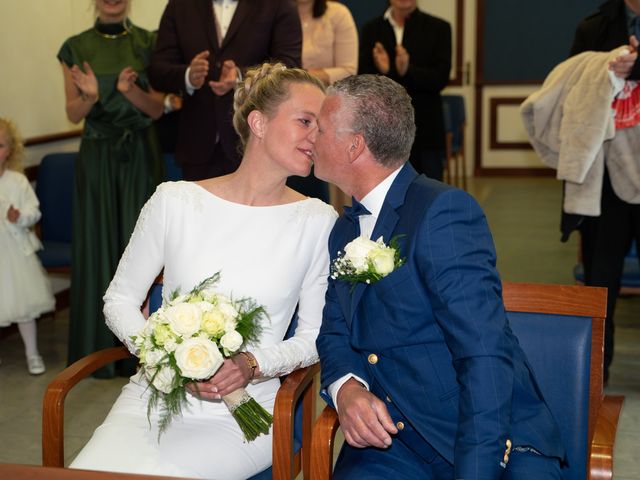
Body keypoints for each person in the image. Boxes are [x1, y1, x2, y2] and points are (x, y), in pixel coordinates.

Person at [69, 64, 337, 479]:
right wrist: (166, 357)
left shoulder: (317, 220)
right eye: (305, 121)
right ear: (258, 122)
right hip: (153, 399)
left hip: (245, 414)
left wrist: (251, 362)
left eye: (321, 128)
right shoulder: (174, 201)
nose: (315, 137)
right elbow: (119, 300)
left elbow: (313, 336)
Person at [313, 75, 566, 479]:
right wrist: (347, 388)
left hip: (482, 438)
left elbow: (484, 353)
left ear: (354, 145)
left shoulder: (442, 213)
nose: (311, 137)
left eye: (319, 128)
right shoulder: (344, 231)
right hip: (394, 442)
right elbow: (335, 333)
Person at [58, 0, 166, 376]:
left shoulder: (150, 42)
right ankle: (98, 351)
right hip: (98, 157)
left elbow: (157, 109)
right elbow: (72, 113)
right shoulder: (75, 46)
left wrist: (127, 90)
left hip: (139, 152)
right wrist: (90, 95)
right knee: (98, 240)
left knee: (143, 246)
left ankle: (147, 349)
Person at [566, 0, 640, 384]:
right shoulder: (593, 27)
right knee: (602, 279)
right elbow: (572, 95)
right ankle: (596, 374)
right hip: (606, 177)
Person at [148, 0, 303, 181]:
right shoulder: (180, 5)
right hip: (197, 144)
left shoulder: (279, 4)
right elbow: (158, 71)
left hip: (256, 140)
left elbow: (290, 67)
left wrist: (241, 75)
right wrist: (188, 75)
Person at [358, 0, 451, 181]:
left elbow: (440, 79)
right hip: (383, 130)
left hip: (426, 129)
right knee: (386, 194)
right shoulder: (371, 29)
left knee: (429, 194)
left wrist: (408, 70)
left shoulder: (439, 28)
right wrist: (386, 72)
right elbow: (364, 81)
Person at [288, 0, 358, 208]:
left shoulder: (338, 14)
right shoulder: (276, 11)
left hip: (328, 109)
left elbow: (348, 69)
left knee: (317, 183)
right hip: (287, 108)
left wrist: (305, 77)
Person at [0, 118, 55, 375]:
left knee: (24, 305)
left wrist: (19, 215)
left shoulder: (17, 181)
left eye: (0, 145)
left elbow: (34, 212)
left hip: (14, 251)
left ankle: (32, 353)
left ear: (10, 149)